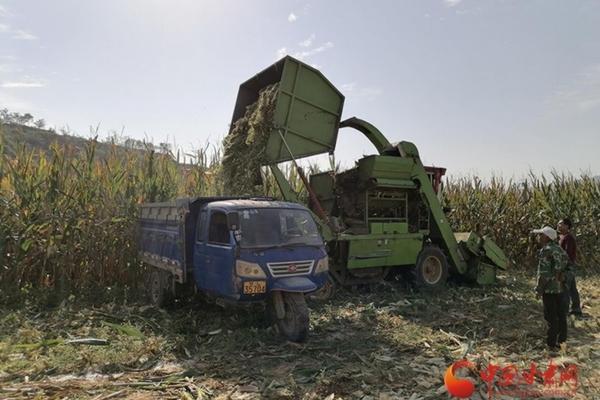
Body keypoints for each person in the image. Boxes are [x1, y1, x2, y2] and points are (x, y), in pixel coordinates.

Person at [533, 226, 570, 351]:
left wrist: (539, 289)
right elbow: (567, 265)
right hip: (560, 288)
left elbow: (544, 274)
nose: (538, 237)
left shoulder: (546, 250)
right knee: (561, 315)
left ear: (547, 237)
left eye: (541, 235)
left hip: (549, 289)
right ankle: (562, 342)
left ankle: (551, 344)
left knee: (551, 317)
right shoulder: (559, 249)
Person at [557, 218, 583, 318]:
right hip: (567, 266)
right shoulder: (561, 237)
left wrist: (562, 266)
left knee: (565, 288)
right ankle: (576, 309)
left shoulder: (568, 238)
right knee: (572, 288)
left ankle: (565, 311)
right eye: (558, 224)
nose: (558, 225)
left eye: (561, 224)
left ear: (567, 226)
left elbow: (567, 254)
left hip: (567, 266)